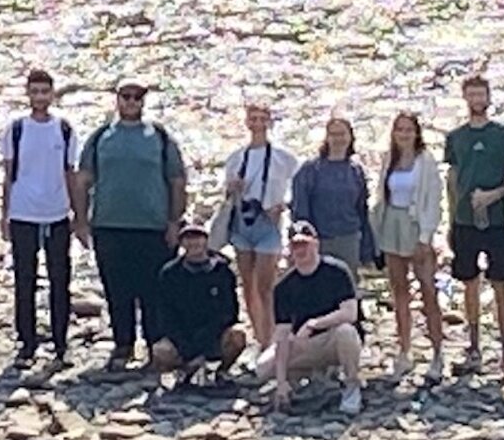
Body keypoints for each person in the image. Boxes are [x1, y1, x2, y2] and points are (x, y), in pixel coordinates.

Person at [76, 81, 187, 372]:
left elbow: (177, 180)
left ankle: (154, 345)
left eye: (137, 97)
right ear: (117, 100)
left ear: (143, 102)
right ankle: (122, 344)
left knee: (153, 291)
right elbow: (84, 178)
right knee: (117, 289)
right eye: (125, 97)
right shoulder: (101, 136)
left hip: (152, 226)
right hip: (109, 225)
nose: (130, 102)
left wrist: (174, 221)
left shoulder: (159, 137)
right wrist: (81, 220)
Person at [0, 69, 84, 368]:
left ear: (52, 94)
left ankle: (61, 342)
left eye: (44, 92)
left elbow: (70, 173)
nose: (39, 97)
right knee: (25, 279)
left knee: (60, 279)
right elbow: (8, 174)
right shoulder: (16, 129)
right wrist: (4, 214)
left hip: (57, 212)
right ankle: (27, 342)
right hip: (23, 212)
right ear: (27, 94)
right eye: (34, 92)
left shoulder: (64, 128)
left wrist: (79, 214)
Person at [444, 76, 504, 376]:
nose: (477, 99)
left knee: (501, 285)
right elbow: (452, 179)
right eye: (472, 94)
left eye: (482, 94)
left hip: (497, 221)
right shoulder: (456, 137)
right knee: (469, 284)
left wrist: (495, 194)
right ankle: (474, 347)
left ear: (489, 98)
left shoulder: (503, 135)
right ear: (465, 99)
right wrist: (452, 219)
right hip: (465, 222)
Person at [211, 101, 299, 350]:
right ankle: (260, 336)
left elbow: (299, 184)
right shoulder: (237, 158)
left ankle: (271, 339)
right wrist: (233, 189)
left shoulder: (283, 157)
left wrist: (282, 205)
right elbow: (227, 194)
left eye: (263, 118)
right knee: (248, 283)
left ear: (270, 122)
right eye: (254, 118)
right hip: (242, 221)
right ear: (247, 122)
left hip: (268, 223)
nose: (258, 123)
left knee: (266, 284)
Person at [258, 221, 365, 414]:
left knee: (346, 332)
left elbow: (350, 313)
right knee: (263, 367)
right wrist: (280, 382)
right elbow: (282, 334)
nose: (300, 250)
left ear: (315, 244)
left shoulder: (337, 271)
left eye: (304, 244)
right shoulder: (283, 286)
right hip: (304, 344)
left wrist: (315, 324)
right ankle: (304, 379)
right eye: (295, 245)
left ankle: (351, 387)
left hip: (333, 339)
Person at [373, 112, 446, 381]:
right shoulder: (389, 159)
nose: (403, 134)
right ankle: (404, 350)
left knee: (428, 290)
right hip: (393, 223)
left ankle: (438, 352)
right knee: (399, 291)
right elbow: (382, 195)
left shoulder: (425, 162)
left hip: (417, 226)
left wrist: (425, 237)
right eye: (399, 130)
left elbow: (434, 200)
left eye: (408, 130)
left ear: (416, 133)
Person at [151, 223, 247, 385]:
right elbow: (165, 316)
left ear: (206, 241)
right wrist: (186, 347)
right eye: (188, 239)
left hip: (214, 334)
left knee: (238, 335)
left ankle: (221, 371)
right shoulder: (169, 273)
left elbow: (230, 312)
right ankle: (184, 371)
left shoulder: (222, 271)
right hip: (183, 336)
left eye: (198, 238)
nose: (193, 243)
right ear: (181, 243)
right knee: (161, 351)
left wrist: (206, 342)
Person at [289, 116, 375, 277]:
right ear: (326, 138)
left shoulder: (356, 171)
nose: (338, 139)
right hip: (319, 240)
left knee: (348, 290)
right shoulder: (310, 170)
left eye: (342, 134)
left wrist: (368, 248)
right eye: (333, 134)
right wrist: (304, 240)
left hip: (348, 239)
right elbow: (299, 209)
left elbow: (362, 211)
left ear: (350, 138)